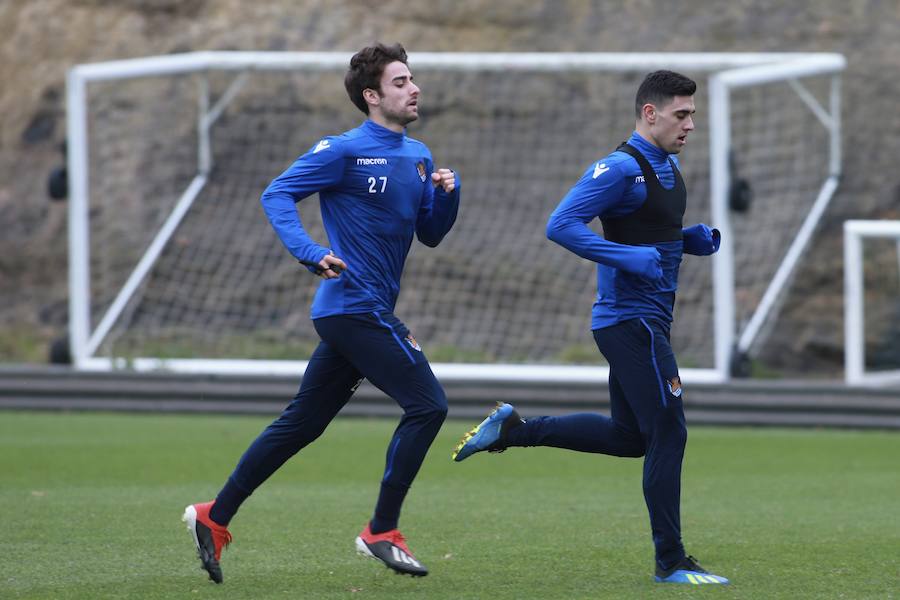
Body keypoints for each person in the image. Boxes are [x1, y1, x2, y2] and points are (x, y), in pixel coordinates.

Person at [183, 42, 459, 583]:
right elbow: (277, 194)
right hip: (351, 306)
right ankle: (382, 530)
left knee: (302, 423)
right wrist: (310, 252)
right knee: (428, 405)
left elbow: (430, 234)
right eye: (401, 81)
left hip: (362, 311)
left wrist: (449, 194)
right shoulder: (344, 150)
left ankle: (215, 517)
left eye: (413, 78)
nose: (415, 88)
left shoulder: (420, 156)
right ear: (373, 95)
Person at [452, 70, 729, 586]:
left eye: (693, 114)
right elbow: (561, 224)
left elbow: (646, 229)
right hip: (632, 322)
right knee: (669, 431)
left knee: (631, 437)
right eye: (681, 114)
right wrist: (624, 256)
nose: (691, 124)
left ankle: (513, 431)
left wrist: (686, 239)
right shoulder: (621, 167)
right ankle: (671, 562)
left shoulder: (666, 164)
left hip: (643, 322)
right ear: (650, 113)